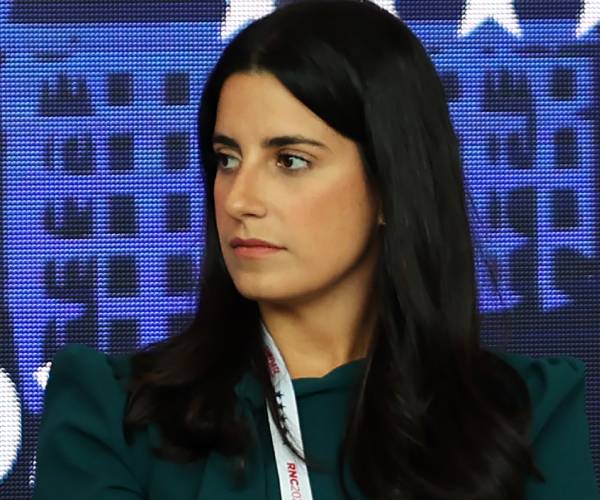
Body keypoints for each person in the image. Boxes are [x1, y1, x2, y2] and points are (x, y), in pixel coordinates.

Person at [32, 1, 600, 499]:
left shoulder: (526, 415)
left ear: (391, 185)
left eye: (290, 160)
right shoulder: (113, 415)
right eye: (227, 159)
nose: (240, 199)